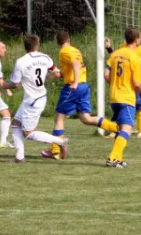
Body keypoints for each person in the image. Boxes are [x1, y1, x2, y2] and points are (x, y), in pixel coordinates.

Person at [40, 31, 119, 160]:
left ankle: (55, 150)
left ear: (58, 42)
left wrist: (75, 82)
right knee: (86, 119)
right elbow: (69, 69)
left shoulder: (64, 52)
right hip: (83, 86)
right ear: (69, 39)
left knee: (59, 118)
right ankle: (115, 128)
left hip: (73, 87)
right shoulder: (75, 50)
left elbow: (75, 65)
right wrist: (52, 76)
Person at [4, 35, 68, 163]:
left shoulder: (21, 61)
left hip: (33, 101)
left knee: (28, 133)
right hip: (37, 97)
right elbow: (57, 73)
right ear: (37, 46)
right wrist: (47, 76)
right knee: (16, 124)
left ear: (25, 47)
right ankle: (19, 156)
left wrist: (2, 85)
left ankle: (60, 141)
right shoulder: (45, 58)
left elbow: (15, 83)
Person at [104, 27, 141, 168]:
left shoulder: (115, 54)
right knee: (127, 130)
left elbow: (106, 74)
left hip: (114, 97)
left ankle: (118, 160)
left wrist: (115, 83)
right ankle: (112, 158)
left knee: (120, 129)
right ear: (137, 39)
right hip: (126, 98)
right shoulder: (134, 58)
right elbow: (137, 83)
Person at [105, 34, 141, 138]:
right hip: (124, 85)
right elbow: (116, 58)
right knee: (120, 107)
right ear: (136, 39)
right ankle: (115, 130)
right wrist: (109, 48)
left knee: (139, 105)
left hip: (134, 84)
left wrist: (136, 77)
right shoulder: (123, 48)